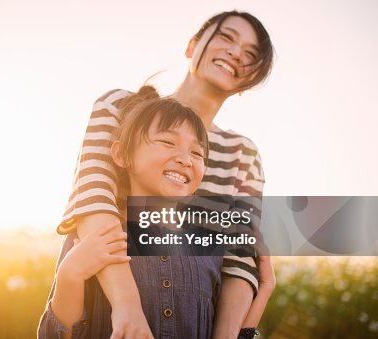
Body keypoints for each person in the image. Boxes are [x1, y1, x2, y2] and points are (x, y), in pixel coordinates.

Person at [55, 10, 274, 339]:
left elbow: (238, 261)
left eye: (251, 54)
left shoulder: (243, 154)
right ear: (192, 46)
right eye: (227, 37)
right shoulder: (119, 106)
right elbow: (92, 200)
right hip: (102, 312)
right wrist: (126, 306)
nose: (236, 52)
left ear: (249, 80)